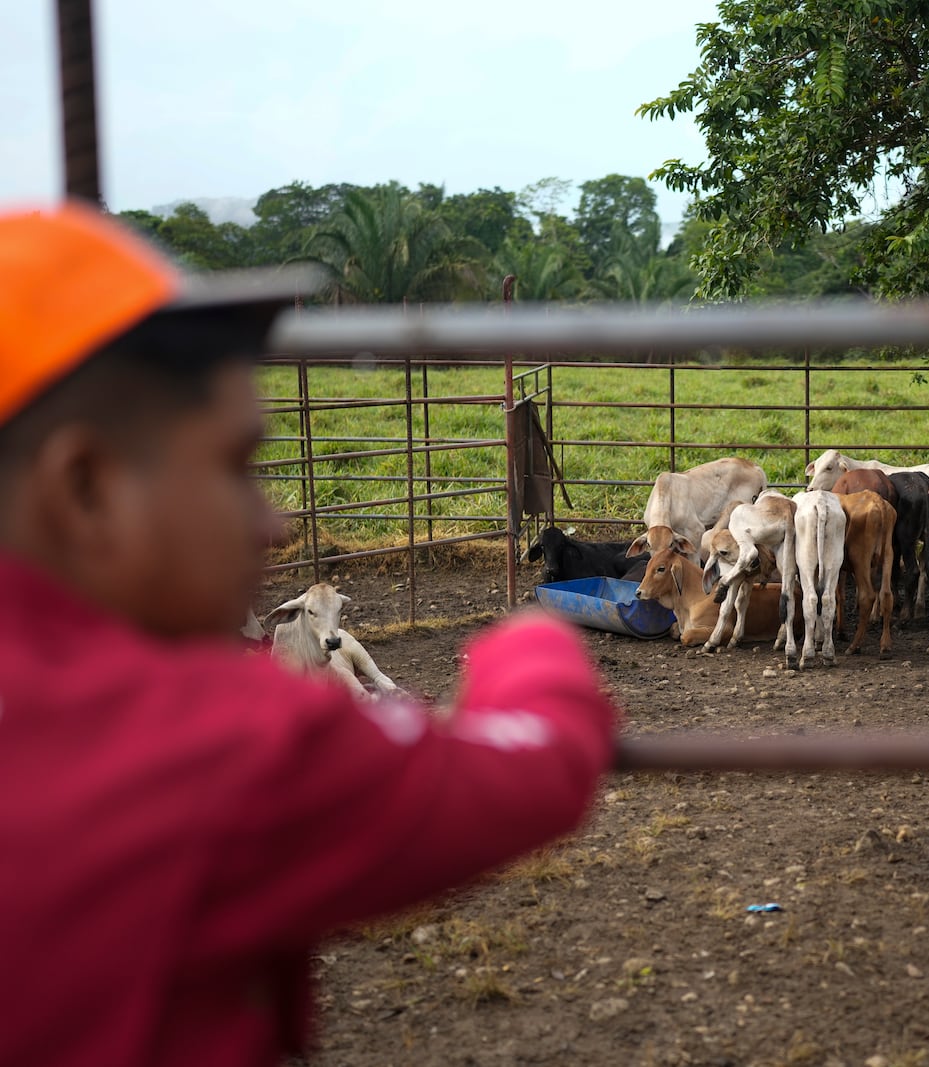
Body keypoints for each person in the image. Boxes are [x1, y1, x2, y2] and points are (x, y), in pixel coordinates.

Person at [0, 202, 619, 1066]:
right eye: (235, 466)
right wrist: (530, 640)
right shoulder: (213, 741)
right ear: (87, 491)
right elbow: (531, 765)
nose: (276, 519)